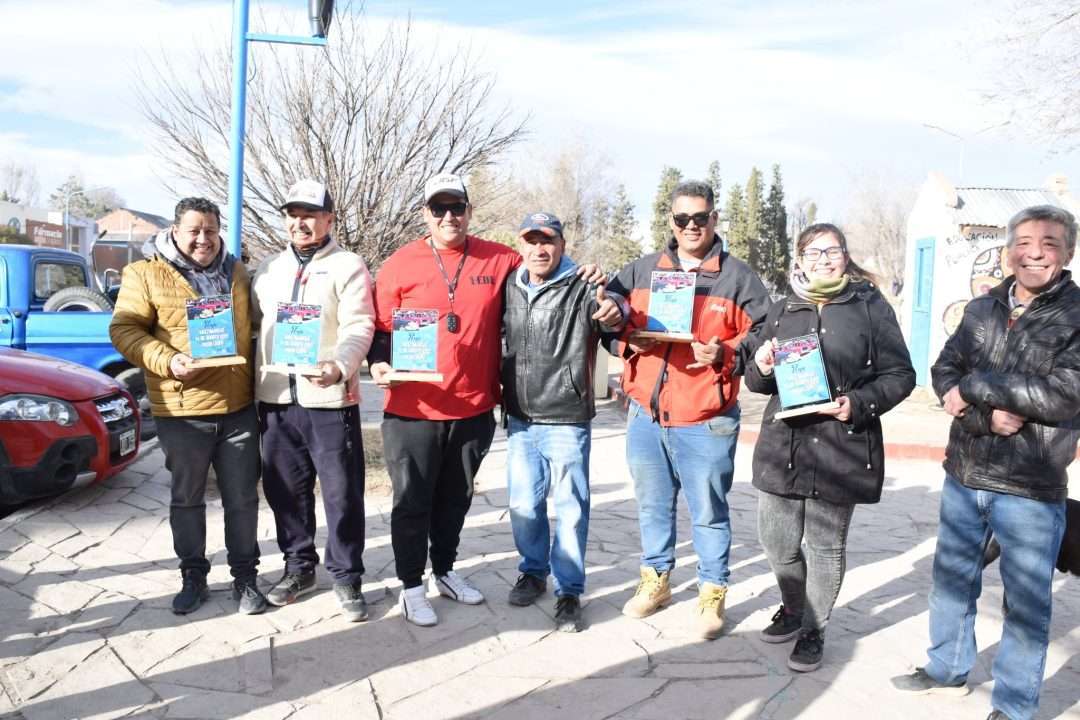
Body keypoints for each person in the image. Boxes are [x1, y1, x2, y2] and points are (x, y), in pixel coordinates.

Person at [369, 173, 609, 627]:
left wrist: (589, 271)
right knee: (413, 502)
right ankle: (412, 587)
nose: (448, 217)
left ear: (469, 212)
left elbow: (548, 265)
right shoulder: (399, 263)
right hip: (412, 409)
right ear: (425, 214)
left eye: (456, 207)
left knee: (454, 501)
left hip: (473, 408)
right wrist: (379, 362)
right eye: (438, 208)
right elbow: (381, 329)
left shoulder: (499, 258)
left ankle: (444, 571)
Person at [892, 205, 1080, 720]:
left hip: (1030, 486)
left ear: (1068, 252)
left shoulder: (1076, 315)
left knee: (1026, 603)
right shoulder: (982, 309)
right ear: (1008, 251)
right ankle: (946, 670)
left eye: (1049, 243)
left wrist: (975, 386)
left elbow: (1063, 394)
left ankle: (1015, 706)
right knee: (952, 580)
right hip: (965, 472)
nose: (1034, 253)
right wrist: (983, 415)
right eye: (1023, 242)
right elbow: (944, 369)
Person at [743, 223, 914, 672]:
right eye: (813, 253)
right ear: (799, 260)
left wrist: (857, 404)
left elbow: (901, 375)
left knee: (824, 546)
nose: (823, 260)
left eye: (832, 251)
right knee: (777, 542)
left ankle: (814, 629)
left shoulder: (869, 307)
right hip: (784, 446)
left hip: (842, 445)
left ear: (845, 256)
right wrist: (762, 364)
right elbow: (757, 382)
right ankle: (793, 606)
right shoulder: (783, 309)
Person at [605, 180, 770, 639]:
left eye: (700, 218)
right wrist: (625, 337)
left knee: (709, 512)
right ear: (671, 221)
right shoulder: (641, 271)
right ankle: (655, 580)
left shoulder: (739, 278)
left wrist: (727, 354)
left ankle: (712, 591)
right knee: (652, 506)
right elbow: (609, 321)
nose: (691, 226)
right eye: (682, 219)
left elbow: (765, 331)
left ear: (714, 218)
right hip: (646, 414)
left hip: (705, 418)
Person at [110, 197, 266, 615]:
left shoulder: (236, 271)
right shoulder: (144, 274)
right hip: (181, 410)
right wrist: (169, 360)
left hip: (236, 408)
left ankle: (245, 577)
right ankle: (193, 575)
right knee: (187, 500)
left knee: (242, 499)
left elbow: (257, 325)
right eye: (194, 230)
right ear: (175, 231)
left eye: (210, 230)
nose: (203, 239)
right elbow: (124, 329)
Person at [251, 179, 375, 622]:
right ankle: (299, 568)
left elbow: (360, 325)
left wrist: (340, 365)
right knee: (285, 490)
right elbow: (252, 326)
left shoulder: (348, 265)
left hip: (328, 398)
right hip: (276, 398)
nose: (300, 223)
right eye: (293, 214)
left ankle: (346, 575)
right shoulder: (267, 269)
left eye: (310, 214)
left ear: (329, 219)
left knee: (342, 494)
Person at [502, 211, 625, 633]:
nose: (540, 249)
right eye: (532, 240)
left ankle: (569, 590)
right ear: (521, 245)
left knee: (570, 508)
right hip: (520, 416)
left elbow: (614, 318)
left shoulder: (585, 285)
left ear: (562, 245)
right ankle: (533, 571)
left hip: (567, 416)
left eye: (548, 240)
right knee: (523, 504)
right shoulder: (510, 286)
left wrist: (614, 310)